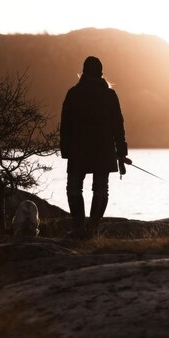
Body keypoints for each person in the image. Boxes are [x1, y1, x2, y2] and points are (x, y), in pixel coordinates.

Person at [60, 56, 129, 239]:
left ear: (83, 72)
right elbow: (118, 126)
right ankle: (92, 229)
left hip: (78, 149)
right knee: (100, 189)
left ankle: (78, 228)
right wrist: (121, 153)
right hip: (104, 150)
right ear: (101, 73)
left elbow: (65, 125)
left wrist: (65, 150)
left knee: (74, 188)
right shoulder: (110, 95)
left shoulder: (73, 93)